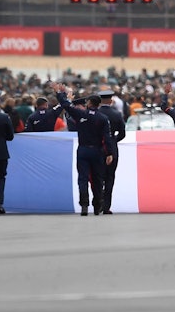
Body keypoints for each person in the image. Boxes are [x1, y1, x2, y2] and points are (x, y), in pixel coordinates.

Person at [53, 85, 112, 216]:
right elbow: (107, 137)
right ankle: (97, 206)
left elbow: (66, 105)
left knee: (83, 178)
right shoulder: (103, 118)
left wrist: (59, 93)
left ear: (89, 103)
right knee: (97, 179)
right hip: (97, 151)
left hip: (83, 150)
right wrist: (109, 153)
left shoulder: (81, 114)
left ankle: (84, 205)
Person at [98, 89, 127, 214]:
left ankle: (97, 203)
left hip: (97, 148)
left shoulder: (95, 113)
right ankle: (106, 206)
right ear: (111, 101)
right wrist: (113, 140)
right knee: (110, 178)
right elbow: (122, 133)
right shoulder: (117, 114)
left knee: (97, 177)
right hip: (112, 149)